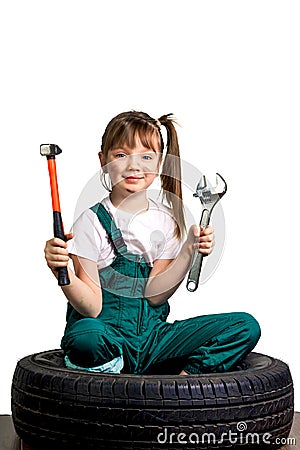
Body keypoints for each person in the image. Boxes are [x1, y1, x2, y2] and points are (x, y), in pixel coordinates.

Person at [44, 111, 260, 375]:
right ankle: (116, 371)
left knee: (244, 326)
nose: (134, 166)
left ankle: (184, 383)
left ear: (159, 164)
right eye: (121, 155)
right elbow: (91, 306)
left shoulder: (166, 222)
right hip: (107, 338)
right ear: (103, 161)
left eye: (146, 157)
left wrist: (188, 251)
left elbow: (155, 294)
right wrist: (62, 273)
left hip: (153, 340)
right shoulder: (91, 221)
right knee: (86, 336)